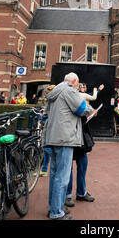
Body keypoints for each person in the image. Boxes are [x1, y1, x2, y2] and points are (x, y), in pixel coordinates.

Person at [42, 72, 97, 220]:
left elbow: (46, 114)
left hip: (52, 137)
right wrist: (92, 111)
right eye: (77, 85)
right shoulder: (69, 89)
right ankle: (56, 213)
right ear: (73, 81)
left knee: (54, 175)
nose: (78, 88)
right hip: (65, 138)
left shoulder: (54, 92)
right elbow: (81, 108)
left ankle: (54, 207)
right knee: (62, 176)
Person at [65, 83, 105, 206]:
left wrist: (89, 113)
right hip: (71, 137)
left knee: (82, 164)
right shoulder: (70, 96)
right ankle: (67, 195)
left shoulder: (75, 96)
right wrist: (89, 111)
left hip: (80, 136)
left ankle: (81, 193)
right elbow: (79, 110)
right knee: (68, 168)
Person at [39, 85, 55, 177]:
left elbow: (48, 113)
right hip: (50, 126)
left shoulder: (51, 100)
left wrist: (44, 118)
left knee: (46, 148)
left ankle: (46, 169)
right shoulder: (52, 100)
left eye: (47, 93)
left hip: (50, 127)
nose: (46, 95)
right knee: (46, 149)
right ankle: (44, 169)